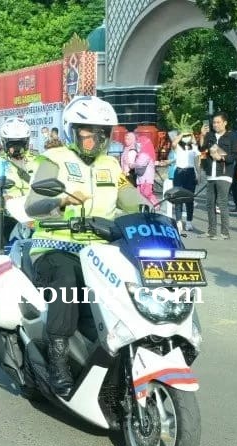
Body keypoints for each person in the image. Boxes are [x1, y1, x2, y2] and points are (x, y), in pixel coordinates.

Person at [24, 95, 144, 397]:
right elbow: (33, 204)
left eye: (101, 133)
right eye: (87, 131)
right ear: (72, 131)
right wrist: (60, 200)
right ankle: (58, 361)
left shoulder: (111, 165)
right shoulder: (55, 160)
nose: (94, 138)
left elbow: (129, 197)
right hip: (54, 245)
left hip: (98, 249)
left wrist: (153, 211)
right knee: (67, 280)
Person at [0, 117, 39, 260]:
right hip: (2, 216)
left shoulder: (38, 160)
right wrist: (6, 197)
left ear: (27, 142)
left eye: (20, 143)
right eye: (12, 144)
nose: (17, 148)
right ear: (4, 143)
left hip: (33, 215)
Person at [199, 112, 237, 239]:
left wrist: (221, 157)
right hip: (211, 173)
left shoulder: (232, 136)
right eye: (214, 122)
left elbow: (235, 156)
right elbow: (201, 149)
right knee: (210, 203)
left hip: (224, 174)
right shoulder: (210, 135)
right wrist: (202, 135)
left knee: (222, 203)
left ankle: (225, 232)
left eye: (218, 122)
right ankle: (211, 231)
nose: (215, 124)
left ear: (225, 123)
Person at [171, 126, 200, 231]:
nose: (186, 137)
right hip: (179, 172)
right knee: (178, 198)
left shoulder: (194, 147)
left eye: (188, 135)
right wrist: (182, 134)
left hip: (190, 172)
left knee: (190, 198)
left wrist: (199, 174)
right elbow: (173, 143)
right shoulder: (178, 146)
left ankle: (189, 222)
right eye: (185, 136)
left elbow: (197, 161)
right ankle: (178, 221)